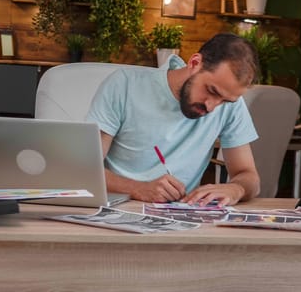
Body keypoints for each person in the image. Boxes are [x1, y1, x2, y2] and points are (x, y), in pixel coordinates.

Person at [86, 33, 261, 206]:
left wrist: (236, 189)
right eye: (212, 91)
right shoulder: (123, 85)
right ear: (194, 63)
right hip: (117, 210)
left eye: (224, 100)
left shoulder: (231, 105)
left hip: (180, 217)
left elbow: (249, 176)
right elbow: (84, 169)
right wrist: (139, 189)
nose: (212, 107)